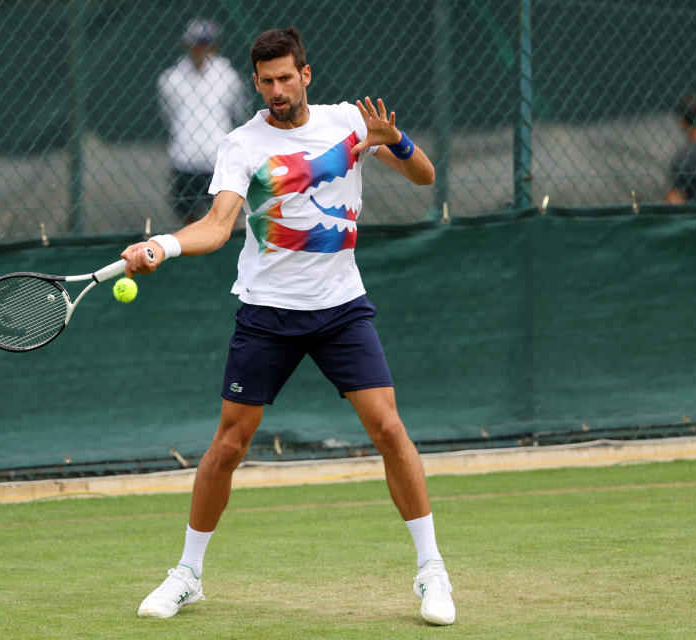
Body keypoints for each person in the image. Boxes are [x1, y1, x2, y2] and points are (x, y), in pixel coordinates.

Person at [122, 27, 455, 626]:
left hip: (341, 307)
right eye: (266, 81)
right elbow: (219, 226)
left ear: (307, 74)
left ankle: (432, 570)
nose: (277, 89)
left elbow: (426, 177)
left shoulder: (349, 123)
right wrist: (163, 244)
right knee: (229, 445)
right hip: (268, 312)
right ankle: (188, 574)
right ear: (256, 82)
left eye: (286, 77)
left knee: (387, 427)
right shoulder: (240, 145)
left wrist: (396, 140)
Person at [157, 18, 248, 225]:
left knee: (223, 218)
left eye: (206, 44)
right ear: (187, 45)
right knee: (187, 217)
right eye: (196, 44)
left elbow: (239, 113)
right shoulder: (170, 79)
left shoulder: (228, 76)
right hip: (184, 158)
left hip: (217, 158)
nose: (201, 49)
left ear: (214, 46)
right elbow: (168, 115)